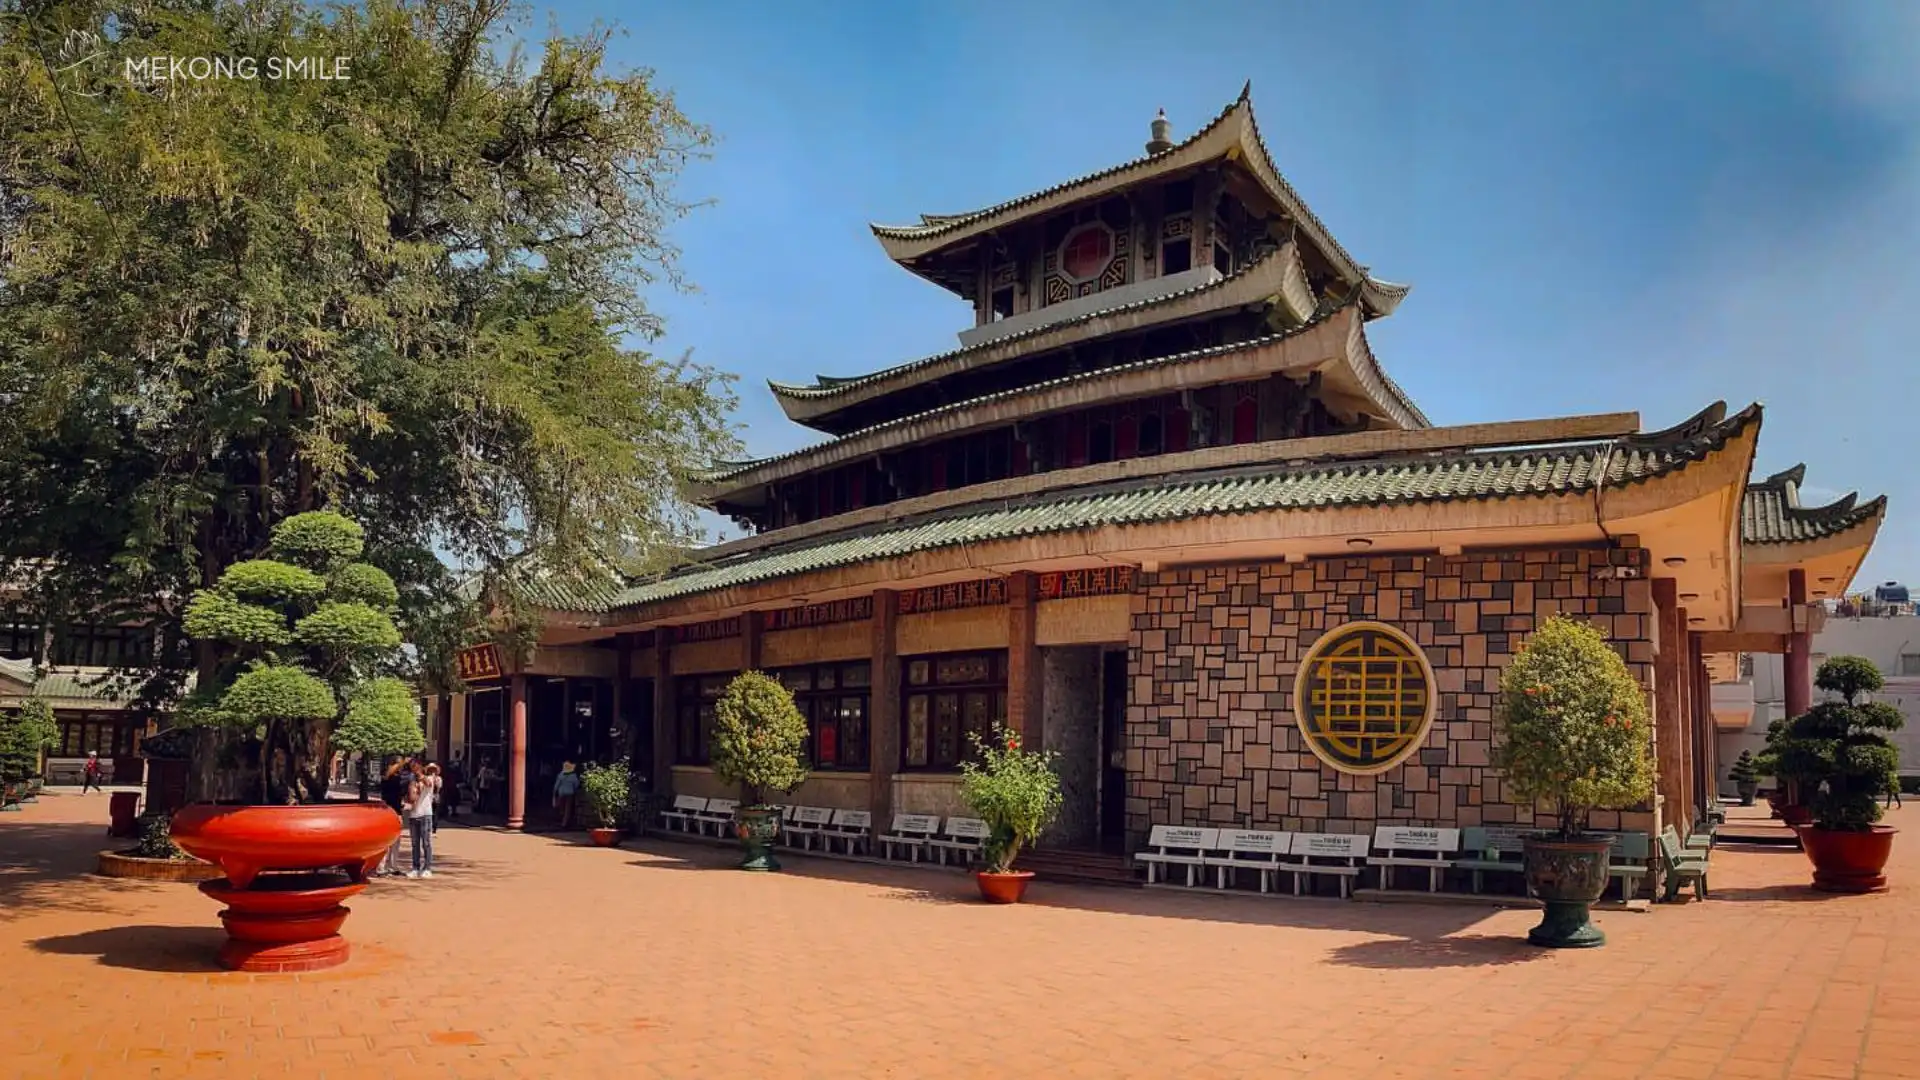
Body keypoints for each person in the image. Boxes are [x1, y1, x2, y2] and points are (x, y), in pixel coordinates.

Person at [377, 759, 411, 875]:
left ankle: (392, 866)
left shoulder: (399, 779)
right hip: (388, 811)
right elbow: (388, 774)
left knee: (396, 841)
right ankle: (381, 867)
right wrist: (403, 762)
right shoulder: (387, 778)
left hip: (397, 811)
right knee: (386, 841)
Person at [403, 763, 435, 879]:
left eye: (416, 768)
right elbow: (410, 797)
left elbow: (429, 783)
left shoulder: (428, 779)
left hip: (425, 814)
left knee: (426, 843)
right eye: (412, 768)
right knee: (415, 844)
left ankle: (427, 868)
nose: (414, 770)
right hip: (414, 815)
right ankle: (415, 868)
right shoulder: (412, 781)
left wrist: (420, 774)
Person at [552, 761, 580, 829]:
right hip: (570, 793)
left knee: (561, 807)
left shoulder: (560, 775)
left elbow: (557, 785)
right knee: (568, 809)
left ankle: (561, 819)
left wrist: (554, 791)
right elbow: (576, 785)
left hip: (561, 793)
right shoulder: (573, 776)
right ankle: (564, 823)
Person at [443, 753, 465, 820]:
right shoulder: (453, 771)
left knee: (453, 800)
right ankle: (452, 811)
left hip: (452, 787)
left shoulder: (450, 771)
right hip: (452, 787)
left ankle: (452, 811)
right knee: (453, 800)